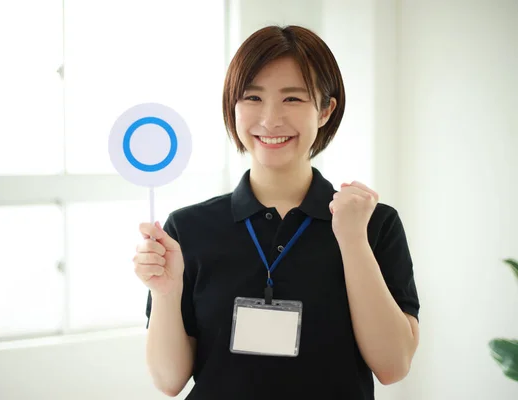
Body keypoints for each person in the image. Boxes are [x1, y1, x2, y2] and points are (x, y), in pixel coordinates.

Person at [133, 25, 420, 399]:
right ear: (232, 106)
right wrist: (167, 294)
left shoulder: (374, 224)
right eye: (252, 97)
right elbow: (168, 381)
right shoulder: (187, 228)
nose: (269, 120)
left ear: (325, 110)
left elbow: (393, 366)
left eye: (292, 99)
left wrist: (351, 240)